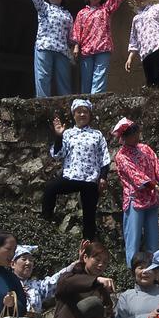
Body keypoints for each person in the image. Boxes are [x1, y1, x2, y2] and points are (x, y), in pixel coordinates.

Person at [109, 117, 159, 265]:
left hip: (151, 197)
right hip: (135, 199)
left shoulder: (145, 148)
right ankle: (133, 272)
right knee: (133, 238)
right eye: (132, 135)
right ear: (124, 137)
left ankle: (155, 270)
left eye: (136, 133)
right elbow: (137, 176)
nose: (136, 137)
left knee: (153, 238)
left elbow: (158, 166)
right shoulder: (121, 156)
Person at [43, 98, 109, 241]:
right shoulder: (68, 133)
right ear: (74, 115)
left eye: (85, 112)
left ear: (89, 115)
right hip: (71, 176)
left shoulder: (97, 134)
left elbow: (104, 157)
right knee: (50, 188)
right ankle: (45, 224)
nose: (82, 115)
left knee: (89, 215)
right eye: (79, 112)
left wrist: (103, 177)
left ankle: (88, 246)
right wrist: (59, 136)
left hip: (90, 178)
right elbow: (57, 154)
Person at [22, 0, 75, 98]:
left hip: (62, 50)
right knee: (43, 76)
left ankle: (67, 105)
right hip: (44, 46)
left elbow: (71, 35)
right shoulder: (44, 8)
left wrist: (74, 47)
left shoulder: (67, 14)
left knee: (64, 79)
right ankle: (43, 102)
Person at [70, 0, 126, 95]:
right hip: (86, 48)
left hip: (103, 46)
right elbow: (76, 30)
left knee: (100, 75)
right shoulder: (82, 13)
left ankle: (96, 99)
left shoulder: (105, 9)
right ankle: (85, 101)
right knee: (86, 77)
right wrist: (76, 46)